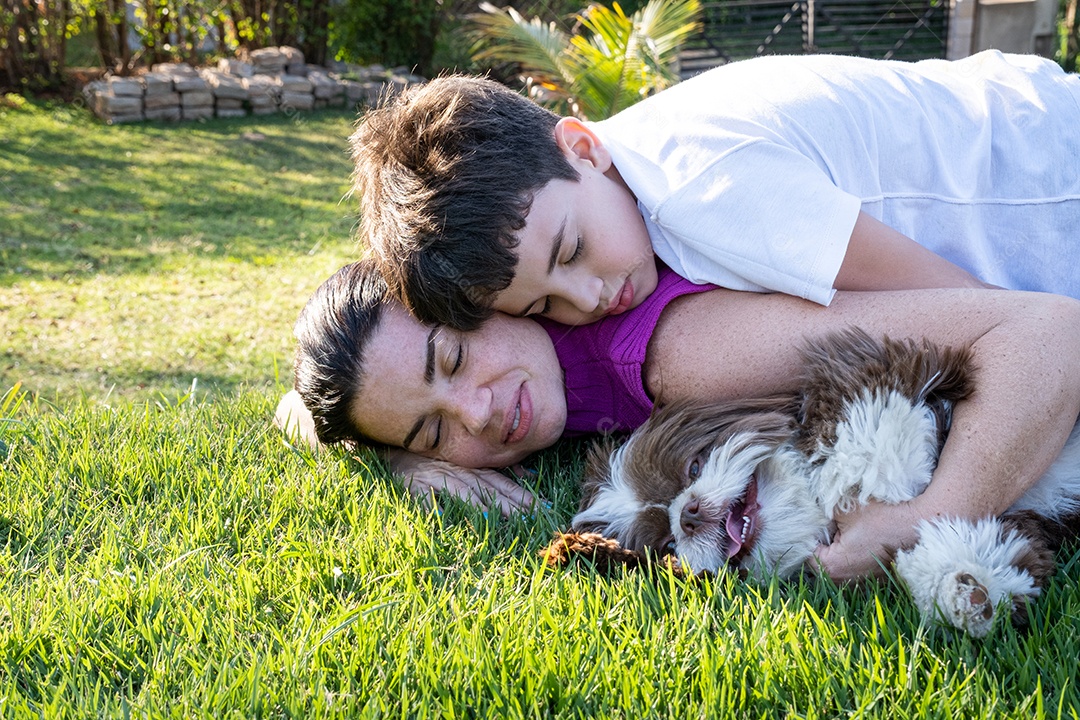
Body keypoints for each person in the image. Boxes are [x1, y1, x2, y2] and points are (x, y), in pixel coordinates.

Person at [279, 258, 1080, 581]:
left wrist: (922, 521)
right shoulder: (516, 350)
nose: (480, 417)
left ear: (477, 289)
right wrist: (404, 462)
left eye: (452, 362)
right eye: (432, 427)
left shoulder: (681, 357)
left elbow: (1049, 331)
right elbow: (300, 406)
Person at [351, 51, 1080, 330]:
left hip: (1053, 179)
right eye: (544, 306)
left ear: (580, 146)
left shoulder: (700, 184)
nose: (589, 299)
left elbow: (978, 315)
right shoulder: (622, 179)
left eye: (571, 250)